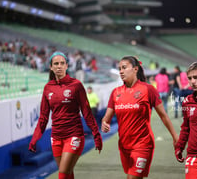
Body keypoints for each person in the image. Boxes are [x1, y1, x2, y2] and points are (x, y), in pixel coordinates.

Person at [101, 56, 179, 179]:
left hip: (143, 144)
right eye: (120, 68)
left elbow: (163, 116)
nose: (121, 71)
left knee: (132, 177)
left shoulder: (148, 90)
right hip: (124, 145)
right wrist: (105, 123)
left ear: (135, 69)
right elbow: (107, 117)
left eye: (124, 67)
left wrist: (175, 138)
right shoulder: (115, 92)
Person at [28, 51, 103, 179]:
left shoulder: (76, 85)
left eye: (62, 63)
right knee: (68, 174)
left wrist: (96, 134)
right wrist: (35, 138)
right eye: (56, 64)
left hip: (74, 135)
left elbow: (87, 112)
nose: (59, 66)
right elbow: (43, 117)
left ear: (67, 66)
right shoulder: (48, 88)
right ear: (51, 67)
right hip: (56, 137)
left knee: (62, 174)